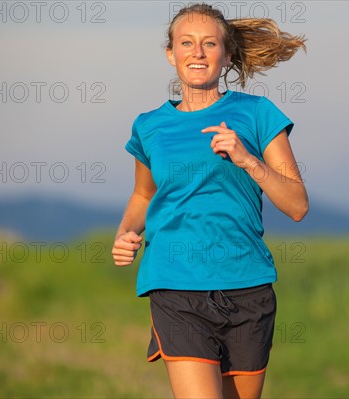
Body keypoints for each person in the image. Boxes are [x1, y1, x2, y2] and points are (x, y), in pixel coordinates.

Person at [112, 3, 308, 398]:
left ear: (227, 54)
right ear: (171, 54)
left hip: (247, 286)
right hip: (175, 283)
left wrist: (248, 160)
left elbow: (297, 205)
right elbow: (143, 194)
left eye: (209, 43)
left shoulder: (257, 114)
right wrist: (126, 233)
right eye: (186, 43)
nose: (197, 52)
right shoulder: (149, 126)